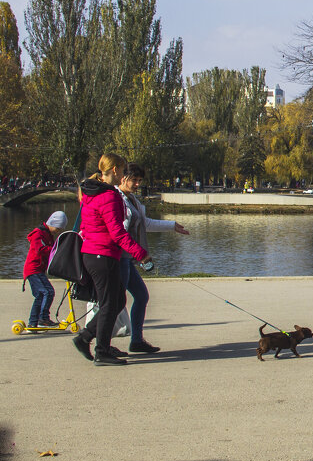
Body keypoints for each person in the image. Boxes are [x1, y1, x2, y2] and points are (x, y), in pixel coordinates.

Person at [72, 154, 148, 366]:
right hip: (102, 255)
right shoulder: (108, 196)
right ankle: (101, 350)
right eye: (123, 170)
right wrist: (140, 253)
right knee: (109, 304)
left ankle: (86, 337)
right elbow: (117, 232)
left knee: (117, 301)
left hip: (96, 254)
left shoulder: (92, 192)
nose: (124, 174)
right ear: (115, 170)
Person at [117, 164, 190, 354]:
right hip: (118, 258)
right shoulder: (117, 199)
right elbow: (119, 232)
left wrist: (172, 225)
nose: (137, 184)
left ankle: (136, 340)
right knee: (115, 302)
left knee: (141, 296)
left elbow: (145, 223)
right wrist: (139, 253)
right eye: (134, 180)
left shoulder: (131, 199)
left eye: (140, 181)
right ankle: (93, 340)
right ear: (123, 178)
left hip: (128, 258)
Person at [23, 210, 67, 329]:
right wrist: (56, 251)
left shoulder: (48, 234)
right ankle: (41, 319)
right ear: (52, 223)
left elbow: (51, 251)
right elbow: (41, 249)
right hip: (33, 270)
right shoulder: (38, 234)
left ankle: (36, 321)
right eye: (58, 229)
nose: (58, 231)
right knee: (46, 292)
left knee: (42, 294)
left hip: (39, 270)